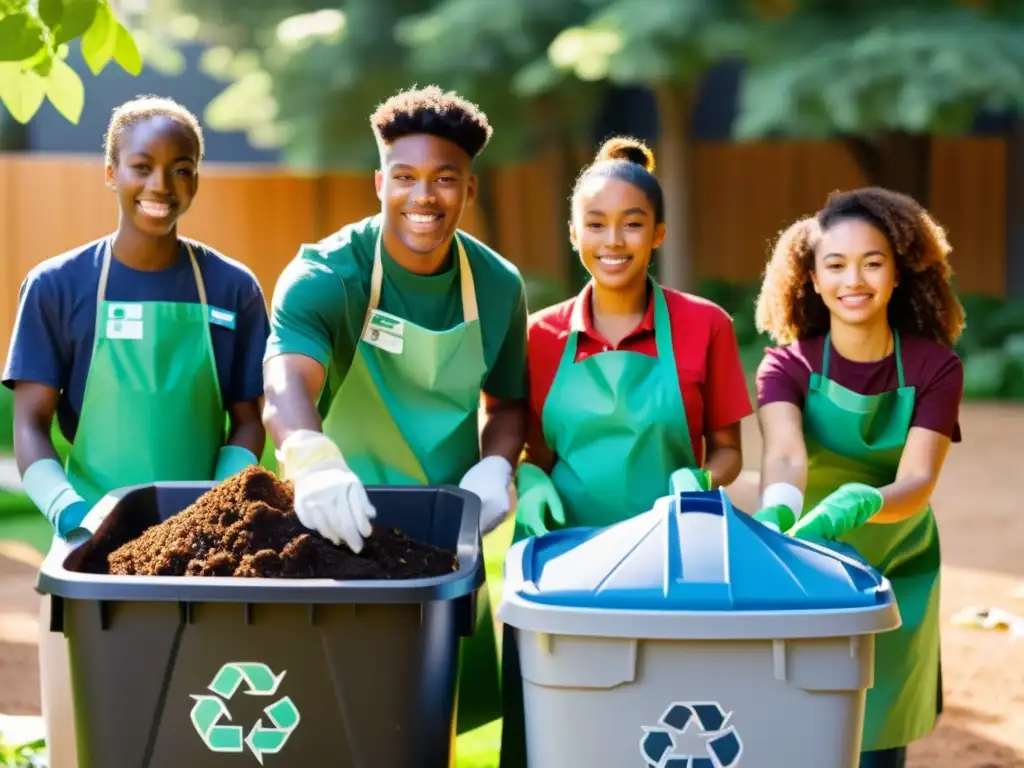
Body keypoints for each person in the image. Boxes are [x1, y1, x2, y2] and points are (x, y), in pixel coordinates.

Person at [2, 95, 270, 768]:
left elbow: (248, 416)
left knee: (200, 718)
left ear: (197, 178)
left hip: (203, 548)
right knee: (101, 720)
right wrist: (69, 513)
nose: (161, 186)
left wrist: (213, 506)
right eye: (142, 166)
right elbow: (29, 427)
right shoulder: (57, 286)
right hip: (90, 541)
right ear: (110, 171)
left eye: (182, 169)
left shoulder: (232, 289)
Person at [261, 86, 528, 737]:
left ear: (468, 188)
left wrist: (495, 466)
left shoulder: (496, 286)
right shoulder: (328, 275)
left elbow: (509, 400)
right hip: (334, 522)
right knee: (320, 719)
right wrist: (313, 461)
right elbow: (283, 380)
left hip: (442, 534)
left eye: (444, 180)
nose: (423, 197)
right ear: (380, 181)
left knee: (435, 726)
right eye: (405, 178)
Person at [501, 137, 754, 767]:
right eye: (596, 224)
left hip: (670, 562)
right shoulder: (539, 335)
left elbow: (729, 451)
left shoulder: (706, 326)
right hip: (562, 565)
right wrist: (529, 481)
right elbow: (517, 441)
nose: (613, 240)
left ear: (659, 233)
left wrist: (701, 480)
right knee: (557, 728)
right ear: (573, 232)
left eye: (632, 224)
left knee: (656, 723)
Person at [752, 187, 965, 768]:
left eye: (872, 262)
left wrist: (857, 502)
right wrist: (777, 514)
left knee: (878, 730)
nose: (855, 280)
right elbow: (786, 456)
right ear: (813, 280)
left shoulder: (935, 367)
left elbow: (919, 479)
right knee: (798, 724)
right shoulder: (786, 365)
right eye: (836, 265)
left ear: (898, 273)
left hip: (897, 566)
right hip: (807, 563)